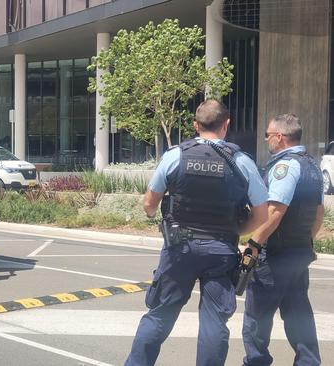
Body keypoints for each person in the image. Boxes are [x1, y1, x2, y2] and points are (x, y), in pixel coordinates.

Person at [125, 99, 268, 366]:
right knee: (214, 321)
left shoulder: (175, 155)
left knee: (161, 314)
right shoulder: (241, 161)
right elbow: (262, 214)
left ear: (195, 125)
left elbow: (149, 204)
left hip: (179, 249)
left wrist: (154, 216)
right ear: (226, 125)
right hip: (221, 251)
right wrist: (235, 230)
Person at [242, 114, 323, 366]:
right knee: (298, 314)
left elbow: (275, 210)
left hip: (275, 255)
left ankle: (256, 362)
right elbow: (319, 212)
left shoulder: (284, 166)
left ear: (279, 137)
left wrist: (254, 244)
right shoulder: (312, 166)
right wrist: (304, 241)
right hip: (298, 253)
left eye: (268, 135)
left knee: (257, 318)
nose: (266, 139)